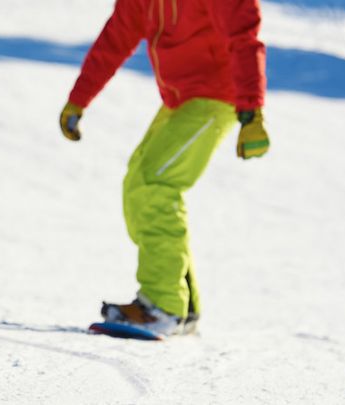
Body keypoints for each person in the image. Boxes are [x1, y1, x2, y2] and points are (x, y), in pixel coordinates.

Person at [59, 0, 271, 337]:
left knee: (156, 183)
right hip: (181, 100)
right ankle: (182, 305)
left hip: (217, 96)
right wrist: (79, 98)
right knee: (138, 184)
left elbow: (243, 36)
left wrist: (252, 112)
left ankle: (163, 305)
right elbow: (116, 38)